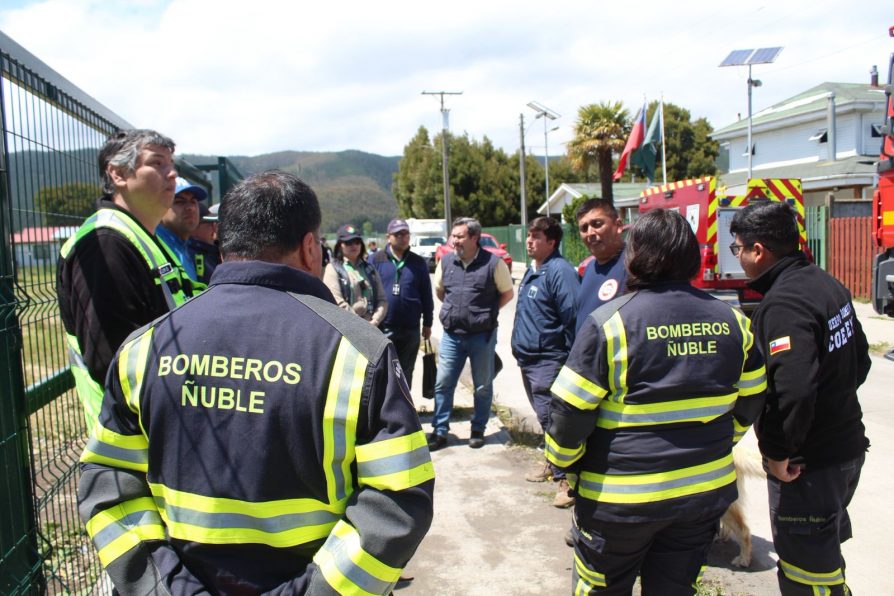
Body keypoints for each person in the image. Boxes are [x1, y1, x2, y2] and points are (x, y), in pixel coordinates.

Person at [77, 171, 435, 595]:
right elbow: (399, 498)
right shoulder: (360, 351)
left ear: (222, 246)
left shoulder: (144, 347)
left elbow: (110, 484)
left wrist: (164, 586)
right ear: (308, 248)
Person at [546, 209, 766, 593]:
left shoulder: (609, 323)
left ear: (635, 256)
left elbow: (568, 412)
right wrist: (717, 441)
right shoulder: (734, 321)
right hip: (700, 498)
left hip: (618, 502)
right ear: (692, 257)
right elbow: (752, 396)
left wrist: (564, 465)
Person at [730, 201, 870, 595]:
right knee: (823, 559)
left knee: (807, 575)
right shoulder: (826, 283)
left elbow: (794, 390)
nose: (737, 257)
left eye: (737, 248)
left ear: (759, 250)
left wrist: (777, 453)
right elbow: (859, 362)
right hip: (845, 450)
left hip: (807, 467)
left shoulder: (783, 305)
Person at [57, 129, 198, 427]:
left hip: (161, 425)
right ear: (119, 174)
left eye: (172, 164)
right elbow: (112, 361)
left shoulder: (142, 236)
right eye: (157, 163)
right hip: (130, 441)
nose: (171, 174)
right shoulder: (105, 244)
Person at [510, 216, 579, 508]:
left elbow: (573, 317)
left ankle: (567, 479)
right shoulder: (532, 270)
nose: (529, 241)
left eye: (536, 236)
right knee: (545, 418)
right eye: (528, 235)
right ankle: (553, 463)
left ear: (552, 241)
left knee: (556, 421)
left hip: (549, 360)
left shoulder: (559, 271)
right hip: (529, 359)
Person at [428, 217, 514, 451]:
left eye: (459, 236)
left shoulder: (494, 263)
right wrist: (456, 311)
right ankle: (440, 430)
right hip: (452, 335)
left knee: (483, 385)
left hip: (482, 336)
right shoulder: (445, 262)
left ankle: (478, 429)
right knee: (443, 383)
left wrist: (485, 313)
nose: (454, 241)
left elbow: (507, 293)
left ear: (474, 237)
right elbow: (440, 291)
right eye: (453, 236)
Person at [370, 218, 434, 388]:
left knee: (405, 373)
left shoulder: (418, 262)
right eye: (398, 234)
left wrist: (428, 323)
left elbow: (426, 295)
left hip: (410, 329)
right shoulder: (375, 260)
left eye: (405, 233)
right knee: (382, 372)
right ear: (388, 237)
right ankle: (382, 412)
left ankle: (403, 411)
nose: (403, 237)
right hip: (383, 328)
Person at [575, 198, 626, 333]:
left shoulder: (635, 264)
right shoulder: (588, 268)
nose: (590, 233)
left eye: (597, 224)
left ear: (618, 225)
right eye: (584, 228)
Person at [324, 224, 388, 326]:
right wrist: (359, 324)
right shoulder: (332, 269)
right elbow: (336, 301)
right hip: (346, 329)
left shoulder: (370, 269)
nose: (354, 246)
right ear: (340, 245)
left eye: (357, 242)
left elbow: (382, 300)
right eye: (348, 242)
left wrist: (375, 320)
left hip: (373, 328)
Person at [156, 176, 208, 282]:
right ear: (159, 208)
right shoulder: (155, 247)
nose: (191, 207)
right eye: (180, 202)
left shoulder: (186, 248)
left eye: (193, 201)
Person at [188, 202, 221, 284]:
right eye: (210, 224)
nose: (214, 228)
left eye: (215, 223)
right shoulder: (190, 256)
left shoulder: (217, 252)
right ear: (194, 227)